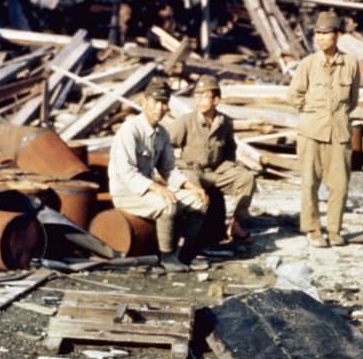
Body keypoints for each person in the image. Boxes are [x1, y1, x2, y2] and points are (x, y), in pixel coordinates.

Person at [107, 77, 208, 272]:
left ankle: (186, 255)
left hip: (146, 189)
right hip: (127, 193)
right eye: (155, 102)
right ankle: (167, 257)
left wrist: (191, 187)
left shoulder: (162, 133)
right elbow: (127, 173)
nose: (160, 108)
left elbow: (168, 169)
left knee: (199, 202)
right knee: (167, 204)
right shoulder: (130, 130)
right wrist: (157, 188)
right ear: (145, 102)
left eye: (164, 102)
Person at [287, 11, 360, 247]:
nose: (320, 38)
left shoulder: (350, 63)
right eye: (317, 34)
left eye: (325, 34)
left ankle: (335, 229)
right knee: (309, 183)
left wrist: (336, 116)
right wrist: (313, 114)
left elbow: (353, 100)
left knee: (339, 185)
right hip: (311, 131)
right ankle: (313, 229)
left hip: (339, 132)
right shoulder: (308, 64)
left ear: (337, 35)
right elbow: (294, 95)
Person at [167, 74, 257, 248]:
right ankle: (188, 234)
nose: (199, 100)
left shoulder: (224, 122)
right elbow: (164, 144)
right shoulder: (186, 121)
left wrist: (227, 167)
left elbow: (230, 149)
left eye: (204, 96)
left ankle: (236, 224)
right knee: (193, 187)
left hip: (216, 172)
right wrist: (174, 166)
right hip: (192, 171)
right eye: (197, 95)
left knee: (246, 178)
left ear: (216, 100)